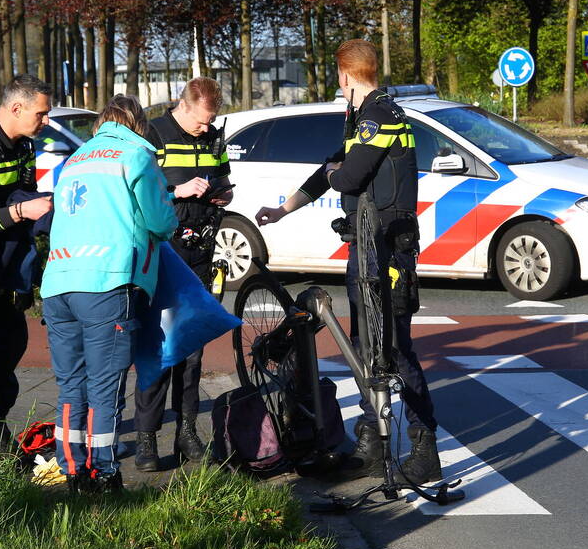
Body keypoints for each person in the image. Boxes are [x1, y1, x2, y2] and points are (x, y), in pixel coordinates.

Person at [255, 39, 441, 485]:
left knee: (394, 347)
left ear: (344, 75)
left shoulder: (380, 115)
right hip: (366, 245)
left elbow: (349, 174)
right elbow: (329, 170)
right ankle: (372, 443)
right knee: (365, 351)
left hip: (387, 248)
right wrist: (285, 209)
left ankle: (424, 444)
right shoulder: (361, 116)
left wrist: (339, 172)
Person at [41, 95, 178, 492]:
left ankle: (72, 471)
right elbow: (159, 219)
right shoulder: (135, 155)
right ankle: (104, 472)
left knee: (70, 385)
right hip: (105, 282)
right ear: (137, 123)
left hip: (58, 283)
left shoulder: (76, 159)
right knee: (105, 386)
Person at [134, 76, 233, 472]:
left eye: (211, 122)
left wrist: (223, 192)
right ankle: (146, 437)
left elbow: (224, 178)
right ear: (183, 104)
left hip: (201, 250)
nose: (206, 129)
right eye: (201, 121)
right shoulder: (154, 133)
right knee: (158, 347)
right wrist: (177, 192)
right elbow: (139, 193)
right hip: (163, 252)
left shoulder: (212, 137)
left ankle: (187, 430)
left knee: (192, 349)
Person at [0, 74, 54, 445]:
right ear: (16, 108)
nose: (46, 120)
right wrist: (21, 211)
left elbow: (25, 193)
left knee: (13, 346)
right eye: (42, 112)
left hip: (11, 266)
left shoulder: (24, 145)